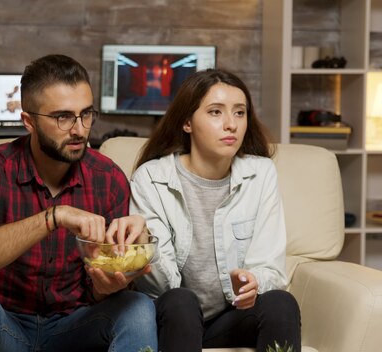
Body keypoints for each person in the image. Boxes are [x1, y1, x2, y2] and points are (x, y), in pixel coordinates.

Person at [0, 54, 157, 352]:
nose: (80, 130)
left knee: (138, 306)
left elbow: (103, 281)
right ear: (29, 121)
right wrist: (53, 217)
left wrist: (107, 284)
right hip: (5, 323)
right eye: (63, 117)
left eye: (86, 114)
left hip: (75, 326)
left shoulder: (108, 178)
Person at [128, 68, 301, 352]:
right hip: (172, 318)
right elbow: (159, 288)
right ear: (187, 122)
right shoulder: (152, 177)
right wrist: (145, 242)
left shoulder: (261, 173)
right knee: (181, 301)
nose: (231, 124)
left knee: (281, 302)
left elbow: (270, 267)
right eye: (215, 112)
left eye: (239, 112)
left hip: (229, 320)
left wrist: (253, 283)